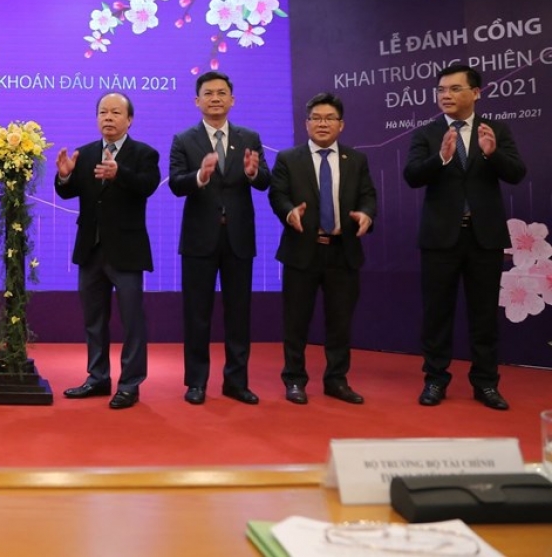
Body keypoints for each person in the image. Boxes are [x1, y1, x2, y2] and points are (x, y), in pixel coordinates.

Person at [403, 64, 526, 411]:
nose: (446, 95)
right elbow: (411, 175)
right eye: (441, 89)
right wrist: (440, 159)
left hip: (483, 237)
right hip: (440, 238)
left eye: (455, 89)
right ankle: (435, 380)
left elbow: (516, 173)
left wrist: (492, 153)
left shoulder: (495, 130)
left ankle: (486, 384)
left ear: (476, 93)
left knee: (484, 314)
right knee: (437, 314)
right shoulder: (427, 133)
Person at [169, 71, 270, 406]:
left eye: (222, 93)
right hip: (200, 239)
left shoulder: (249, 137)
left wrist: (254, 173)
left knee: (239, 313)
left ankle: (236, 381)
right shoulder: (184, 139)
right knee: (197, 313)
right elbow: (175, 183)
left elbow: (264, 179)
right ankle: (196, 382)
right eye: (208, 93)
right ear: (197, 101)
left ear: (232, 100)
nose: (215, 98)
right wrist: (200, 175)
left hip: (239, 238)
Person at [269, 93, 377, 405]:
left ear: (341, 125)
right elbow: (278, 195)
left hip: (343, 251)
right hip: (302, 249)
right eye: (316, 117)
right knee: (296, 321)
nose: (322, 123)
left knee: (340, 322)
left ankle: (336, 380)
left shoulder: (356, 160)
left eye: (329, 118)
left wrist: (366, 214)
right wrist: (290, 212)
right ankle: (294, 380)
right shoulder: (289, 158)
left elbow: (368, 195)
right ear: (306, 123)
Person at [54, 92, 160, 410]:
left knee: (132, 321)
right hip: (91, 250)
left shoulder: (144, 153)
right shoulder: (85, 154)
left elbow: (148, 185)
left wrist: (120, 173)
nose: (108, 118)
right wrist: (64, 175)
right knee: (94, 320)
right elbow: (67, 193)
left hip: (127, 251)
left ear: (129, 119)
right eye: (103, 112)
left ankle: (130, 384)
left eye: (116, 113)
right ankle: (98, 377)